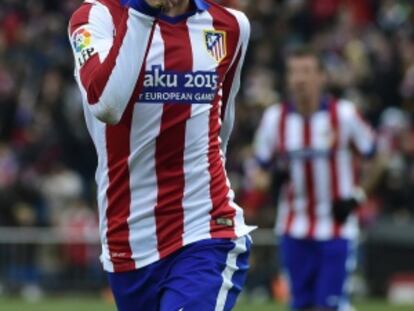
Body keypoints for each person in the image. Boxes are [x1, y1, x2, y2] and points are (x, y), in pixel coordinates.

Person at [68, 0, 255, 310]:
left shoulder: (232, 26)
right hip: (128, 237)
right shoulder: (94, 18)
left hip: (205, 228)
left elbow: (221, 120)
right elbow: (107, 105)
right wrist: (143, 10)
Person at [253, 48, 385, 311]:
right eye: (293, 72)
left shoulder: (344, 115)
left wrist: (357, 196)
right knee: (300, 305)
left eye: (306, 72)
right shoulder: (274, 119)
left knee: (328, 305)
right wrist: (271, 182)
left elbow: (378, 157)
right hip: (293, 227)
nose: (299, 79)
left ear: (322, 77)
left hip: (336, 227)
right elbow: (258, 172)